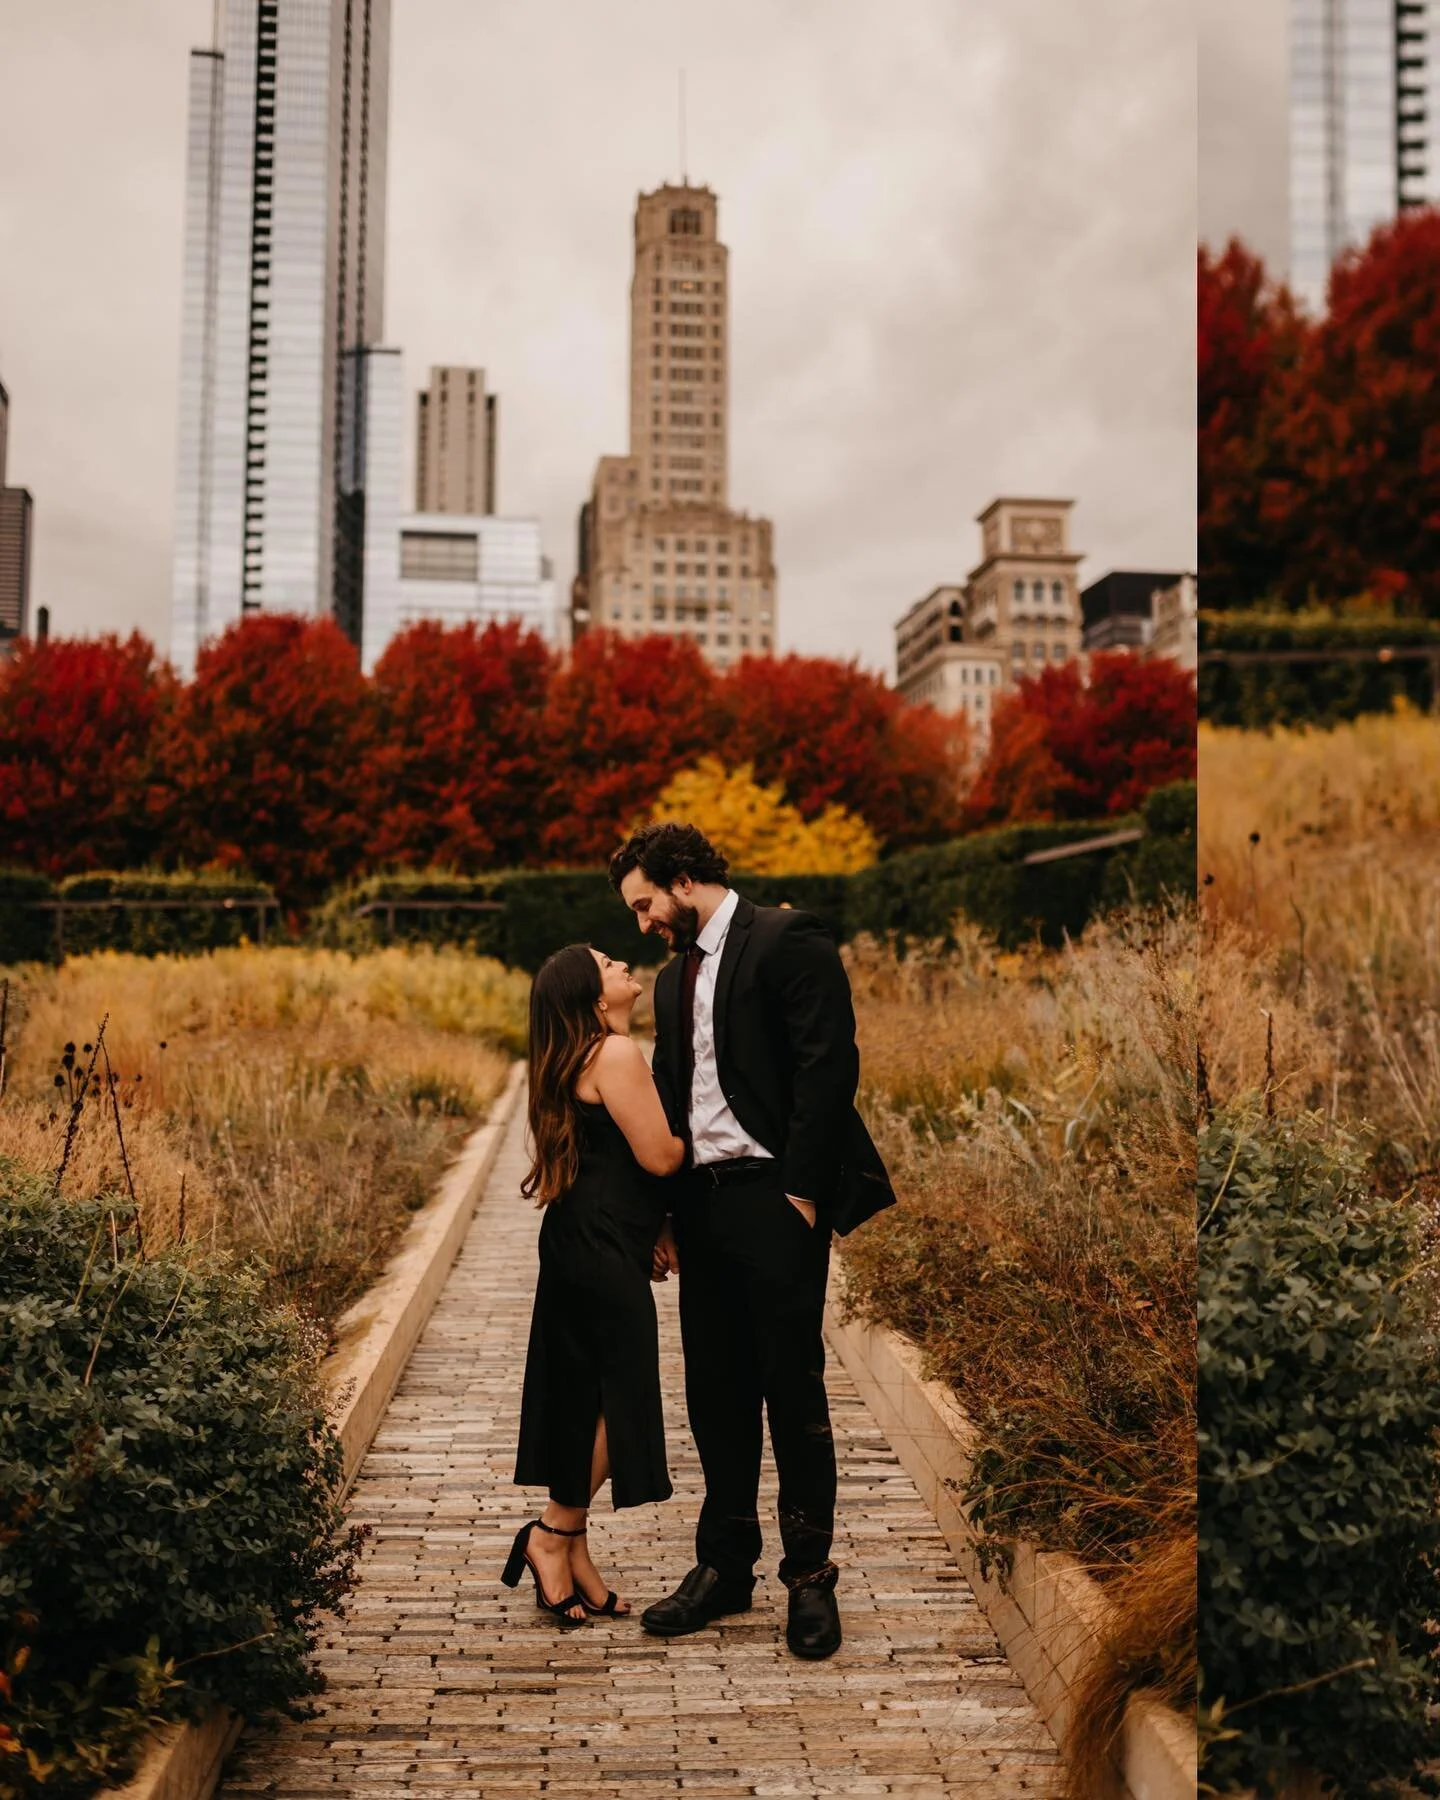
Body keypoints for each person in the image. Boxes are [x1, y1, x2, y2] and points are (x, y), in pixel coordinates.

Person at [608, 822, 896, 1660]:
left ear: (685, 877)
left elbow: (827, 1066)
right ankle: (724, 1568)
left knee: (792, 1392)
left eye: (645, 904)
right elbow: (670, 1098)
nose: (643, 924)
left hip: (778, 1201)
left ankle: (809, 1580)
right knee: (714, 1394)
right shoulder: (668, 984)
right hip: (700, 1206)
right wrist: (663, 1212)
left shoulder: (786, 937)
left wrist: (803, 1191)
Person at [506, 942, 685, 1625]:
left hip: (579, 1239)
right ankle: (550, 1534)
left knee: (585, 1397)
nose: (622, 966)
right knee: (624, 1396)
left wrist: (650, 1229)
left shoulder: (578, 1056)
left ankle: (573, 1553)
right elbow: (661, 1154)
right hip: (602, 1245)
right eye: (607, 964)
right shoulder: (613, 1054)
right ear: (592, 997)